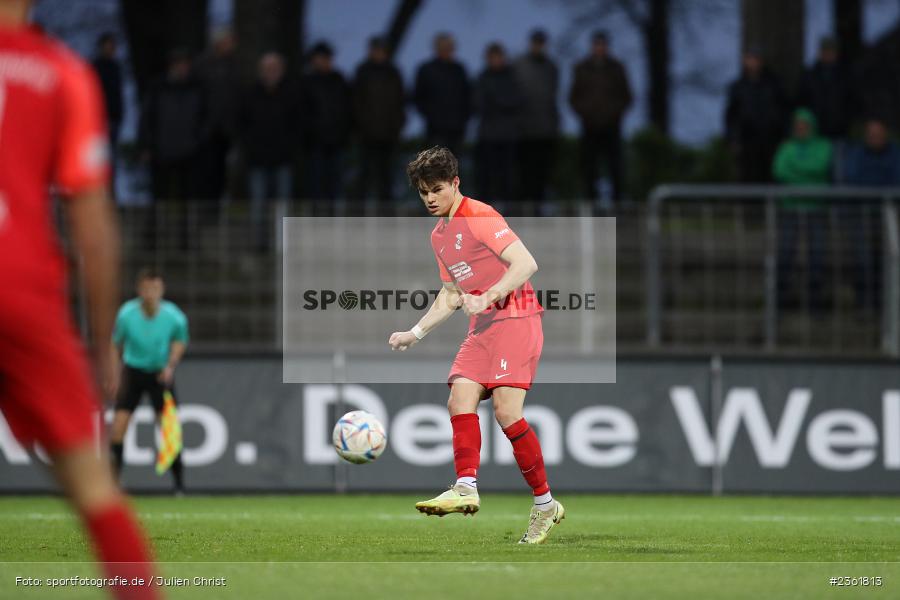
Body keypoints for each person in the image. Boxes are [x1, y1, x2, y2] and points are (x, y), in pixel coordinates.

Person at [0, 1, 159, 598]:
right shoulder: (62, 73)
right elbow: (91, 225)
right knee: (93, 488)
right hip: (20, 289)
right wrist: (102, 344)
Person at [388, 146, 563, 544]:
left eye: (436, 189)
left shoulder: (480, 215)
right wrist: (414, 333)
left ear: (455, 184)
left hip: (517, 318)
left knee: (506, 412)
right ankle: (466, 486)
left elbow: (525, 263)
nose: (430, 198)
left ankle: (544, 505)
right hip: (483, 329)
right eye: (422, 191)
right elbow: (450, 293)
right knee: (458, 398)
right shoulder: (439, 235)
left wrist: (489, 295)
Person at [110, 269, 189, 494]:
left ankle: (179, 486)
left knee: (168, 430)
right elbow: (115, 343)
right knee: (117, 429)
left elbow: (179, 341)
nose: (150, 293)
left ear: (161, 290)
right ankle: (113, 486)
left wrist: (170, 365)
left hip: (159, 376)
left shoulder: (174, 317)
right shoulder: (126, 315)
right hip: (133, 373)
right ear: (139, 290)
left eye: (155, 288)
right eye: (146, 288)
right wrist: (115, 372)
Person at [139, 49, 208, 249]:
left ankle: (186, 241)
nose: (182, 67)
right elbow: (147, 118)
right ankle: (152, 240)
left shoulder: (197, 88)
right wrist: (147, 146)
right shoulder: (157, 87)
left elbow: (206, 117)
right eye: (178, 63)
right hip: (162, 151)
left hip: (189, 151)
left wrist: (198, 140)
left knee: (188, 200)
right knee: (158, 197)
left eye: (185, 63)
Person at [772, 108, 834, 313]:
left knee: (817, 256)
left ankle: (815, 302)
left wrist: (795, 172)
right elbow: (779, 171)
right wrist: (809, 177)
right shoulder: (787, 147)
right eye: (798, 126)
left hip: (816, 208)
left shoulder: (824, 146)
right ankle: (780, 301)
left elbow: (821, 167)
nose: (801, 129)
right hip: (790, 209)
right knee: (785, 255)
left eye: (805, 126)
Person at [238, 52, 298, 250]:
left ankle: (282, 245)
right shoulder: (250, 95)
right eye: (267, 69)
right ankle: (258, 245)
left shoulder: (290, 94)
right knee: (258, 205)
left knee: (283, 205)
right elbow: (241, 125)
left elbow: (299, 124)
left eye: (275, 69)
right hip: (257, 158)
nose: (271, 73)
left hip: (283, 158)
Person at [568, 30, 633, 205]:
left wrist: (613, 114)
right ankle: (591, 203)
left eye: (602, 45)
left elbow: (626, 97)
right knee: (589, 167)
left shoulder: (617, 68)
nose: (599, 48)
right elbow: (573, 98)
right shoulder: (582, 68)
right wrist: (587, 113)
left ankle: (617, 203)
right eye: (597, 44)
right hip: (589, 126)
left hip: (612, 125)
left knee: (615, 167)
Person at [842, 118, 900, 310]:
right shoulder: (857, 154)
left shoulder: (895, 154)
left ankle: (886, 303)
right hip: (862, 214)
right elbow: (852, 178)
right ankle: (864, 301)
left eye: (878, 135)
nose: (875, 138)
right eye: (871, 135)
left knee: (886, 261)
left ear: (885, 135)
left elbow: (895, 180)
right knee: (862, 260)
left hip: (888, 213)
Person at [352, 36, 406, 204]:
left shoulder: (393, 72)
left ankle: (386, 209)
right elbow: (356, 101)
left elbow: (400, 101)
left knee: (387, 174)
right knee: (365, 173)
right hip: (367, 133)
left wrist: (397, 125)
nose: (378, 53)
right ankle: (360, 209)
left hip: (389, 133)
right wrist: (360, 126)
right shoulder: (363, 72)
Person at [725, 48, 789, 183]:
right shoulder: (738, 87)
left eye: (756, 59)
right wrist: (732, 139)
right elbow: (731, 116)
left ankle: (770, 204)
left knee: (771, 175)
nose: (753, 63)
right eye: (750, 59)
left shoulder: (774, 84)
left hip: (772, 139)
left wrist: (784, 134)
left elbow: (783, 110)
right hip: (747, 140)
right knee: (748, 176)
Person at [301, 41, 351, 208]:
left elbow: (346, 108)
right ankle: (316, 217)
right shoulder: (307, 81)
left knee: (335, 183)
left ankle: (334, 220)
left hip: (336, 140)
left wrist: (344, 132)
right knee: (316, 183)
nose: (323, 61)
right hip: (315, 141)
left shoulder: (339, 80)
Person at [195, 27, 240, 218]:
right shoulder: (203, 64)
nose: (232, 45)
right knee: (206, 173)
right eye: (229, 41)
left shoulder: (233, 65)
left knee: (222, 172)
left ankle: (217, 211)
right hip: (207, 129)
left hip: (226, 130)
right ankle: (206, 211)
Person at [513, 29, 559, 204]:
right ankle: (524, 210)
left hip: (546, 130)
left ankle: (538, 209)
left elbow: (553, 97)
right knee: (523, 174)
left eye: (541, 43)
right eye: (536, 42)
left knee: (543, 175)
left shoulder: (551, 67)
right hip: (523, 130)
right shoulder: (519, 65)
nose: (538, 46)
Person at [474, 42, 523, 205]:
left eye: (498, 57)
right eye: (492, 57)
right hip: (488, 133)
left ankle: (510, 209)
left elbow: (516, 100)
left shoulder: (512, 77)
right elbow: (478, 103)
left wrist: (495, 100)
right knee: (485, 176)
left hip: (508, 133)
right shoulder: (482, 77)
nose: (495, 60)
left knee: (508, 176)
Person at [414, 33, 470, 157]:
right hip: (435, 128)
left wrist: (464, 117)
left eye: (449, 47)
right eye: (443, 47)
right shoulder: (426, 70)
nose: (447, 51)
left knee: (454, 164)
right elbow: (418, 96)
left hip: (457, 127)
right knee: (435, 165)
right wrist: (430, 115)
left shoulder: (459, 70)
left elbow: (468, 96)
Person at [91, 32, 123, 189]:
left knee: (111, 158)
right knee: (99, 159)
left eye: (112, 46)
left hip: (113, 118)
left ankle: (110, 192)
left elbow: (118, 95)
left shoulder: (116, 67)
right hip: (98, 119)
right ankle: (100, 190)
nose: (110, 49)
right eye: (108, 46)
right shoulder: (95, 68)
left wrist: (119, 115)